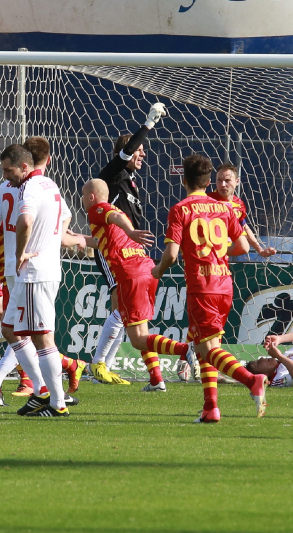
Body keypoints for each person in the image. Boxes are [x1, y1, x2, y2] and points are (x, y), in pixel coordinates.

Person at [0, 143, 86, 417]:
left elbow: (25, 222)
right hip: (28, 273)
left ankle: (57, 404)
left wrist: (21, 252)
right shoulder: (49, 185)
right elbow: (62, 222)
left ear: (24, 165)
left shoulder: (29, 188)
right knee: (10, 330)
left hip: (33, 272)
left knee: (43, 338)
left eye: (8, 170)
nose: (5, 176)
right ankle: (42, 391)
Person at [151, 154, 268, 423]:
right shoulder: (224, 208)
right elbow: (243, 246)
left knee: (206, 350)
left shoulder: (180, 209)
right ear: (208, 182)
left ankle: (251, 380)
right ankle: (210, 407)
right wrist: (218, 252)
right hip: (224, 283)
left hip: (201, 286)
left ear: (184, 180)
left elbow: (171, 255)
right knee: (207, 345)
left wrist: (158, 270)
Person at [82, 178, 194, 392]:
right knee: (142, 332)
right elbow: (100, 240)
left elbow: (114, 217)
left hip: (130, 274)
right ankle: (156, 380)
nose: (82, 200)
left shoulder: (98, 209)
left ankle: (184, 349)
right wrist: (77, 238)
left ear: (91, 197)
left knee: (137, 339)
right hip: (146, 270)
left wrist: (131, 231)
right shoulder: (113, 216)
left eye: (83, 196)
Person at [90, 103, 168, 385]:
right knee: (120, 306)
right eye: (139, 149)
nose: (143, 153)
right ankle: (99, 366)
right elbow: (125, 153)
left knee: (130, 313)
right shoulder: (113, 175)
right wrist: (148, 124)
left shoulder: (131, 183)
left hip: (132, 253)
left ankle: (115, 370)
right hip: (112, 252)